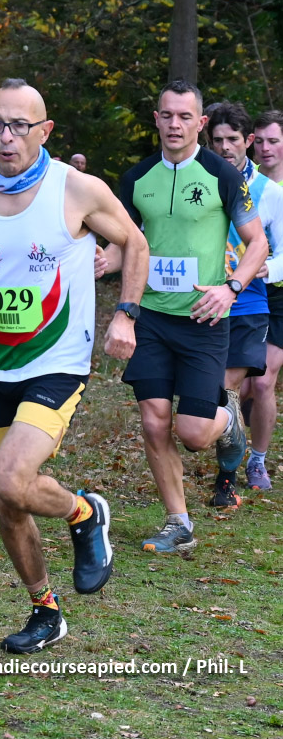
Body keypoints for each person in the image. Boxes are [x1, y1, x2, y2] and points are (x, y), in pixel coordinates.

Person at [0, 78, 148, 653]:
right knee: (6, 496)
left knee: (13, 476)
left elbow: (134, 244)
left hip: (57, 359)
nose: (6, 137)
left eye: (19, 126)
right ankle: (45, 610)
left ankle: (84, 512)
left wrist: (126, 316)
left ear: (44, 130)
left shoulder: (76, 190)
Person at [105, 79, 267, 554]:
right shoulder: (137, 179)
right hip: (152, 317)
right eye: (167, 115)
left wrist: (230, 288)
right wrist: (99, 260)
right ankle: (178, 523)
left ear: (200, 122)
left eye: (185, 116)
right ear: (156, 119)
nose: (174, 124)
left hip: (204, 318)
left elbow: (258, 243)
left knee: (194, 433)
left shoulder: (222, 175)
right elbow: (125, 244)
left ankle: (228, 419)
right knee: (155, 422)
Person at [207, 102, 283, 504]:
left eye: (232, 139)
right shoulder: (198, 181)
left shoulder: (270, 193)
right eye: (217, 140)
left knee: (243, 385)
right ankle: (229, 447)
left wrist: (261, 268)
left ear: (246, 141)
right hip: (204, 298)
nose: (224, 147)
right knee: (216, 392)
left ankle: (239, 470)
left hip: (255, 298)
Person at [239, 110, 283, 489]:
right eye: (261, 140)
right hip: (243, 290)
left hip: (278, 294)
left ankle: (257, 461)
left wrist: (270, 267)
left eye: (275, 141)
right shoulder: (239, 179)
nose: (266, 148)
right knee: (242, 386)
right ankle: (234, 445)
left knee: (264, 382)